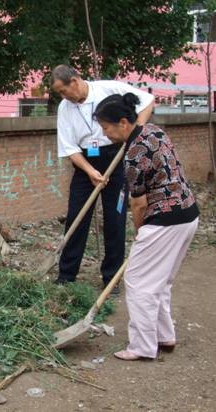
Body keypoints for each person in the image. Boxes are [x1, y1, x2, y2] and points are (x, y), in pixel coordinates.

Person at [93, 93, 199, 360]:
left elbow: (138, 205)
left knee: (138, 281)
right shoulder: (154, 131)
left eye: (106, 128)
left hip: (164, 220)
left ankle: (142, 347)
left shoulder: (132, 156)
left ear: (123, 122)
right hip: (188, 213)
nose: (105, 134)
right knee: (161, 280)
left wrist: (141, 234)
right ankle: (165, 336)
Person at [51, 65, 155, 291]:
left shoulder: (108, 89)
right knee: (76, 217)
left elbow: (148, 100)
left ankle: (111, 277)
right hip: (85, 164)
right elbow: (69, 147)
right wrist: (90, 171)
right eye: (59, 93)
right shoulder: (64, 108)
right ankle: (66, 275)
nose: (62, 96)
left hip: (116, 159)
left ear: (75, 81)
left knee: (115, 219)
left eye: (63, 90)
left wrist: (136, 133)